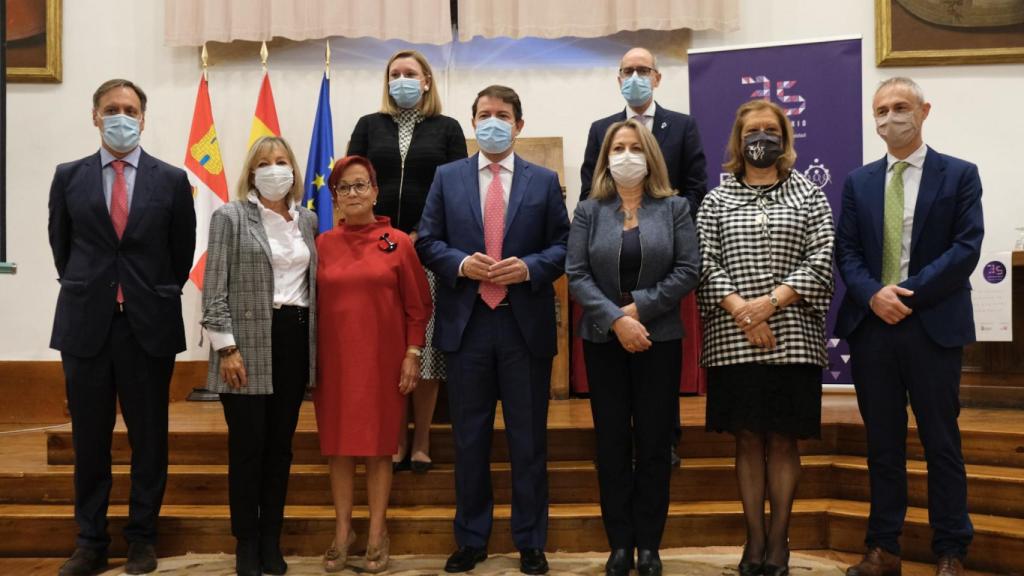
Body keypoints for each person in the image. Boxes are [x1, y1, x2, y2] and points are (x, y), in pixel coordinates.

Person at [416, 85, 570, 575]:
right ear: (472, 122)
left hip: (524, 326)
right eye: (484, 115)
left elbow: (564, 245)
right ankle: (471, 538)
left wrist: (529, 268)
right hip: (468, 325)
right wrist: (462, 264)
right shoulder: (447, 177)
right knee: (469, 439)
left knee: (529, 440)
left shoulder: (544, 181)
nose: (493, 123)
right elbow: (427, 241)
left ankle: (530, 541)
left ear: (519, 125)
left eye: (502, 115)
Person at [47, 79, 196, 576]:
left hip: (147, 326)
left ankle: (141, 539)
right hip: (85, 323)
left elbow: (180, 255)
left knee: (149, 440)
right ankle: (90, 542)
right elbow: (62, 249)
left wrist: (146, 293)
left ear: (143, 119)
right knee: (90, 441)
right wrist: (95, 288)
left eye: (130, 110)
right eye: (112, 108)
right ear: (95, 116)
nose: (121, 117)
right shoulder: (68, 177)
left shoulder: (171, 180)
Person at [836, 78, 982, 576]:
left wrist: (904, 294)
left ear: (924, 111)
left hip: (932, 325)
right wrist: (874, 295)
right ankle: (884, 549)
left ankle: (951, 551)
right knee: (883, 445)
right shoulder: (858, 182)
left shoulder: (960, 174)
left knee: (941, 443)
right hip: (873, 326)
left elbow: (965, 248)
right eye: (881, 110)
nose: (890, 117)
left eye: (901, 107)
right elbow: (847, 252)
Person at [697, 100, 835, 576]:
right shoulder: (716, 200)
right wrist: (744, 311)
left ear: (785, 138)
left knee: (783, 439)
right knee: (747, 437)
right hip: (733, 337)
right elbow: (704, 261)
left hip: (793, 335)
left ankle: (779, 542)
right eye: (752, 131)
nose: (761, 138)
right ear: (738, 141)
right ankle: (753, 539)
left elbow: (822, 257)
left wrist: (770, 304)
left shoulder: (809, 196)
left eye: (770, 130)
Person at [567, 119, 700, 576]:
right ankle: (619, 544)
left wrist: (638, 311)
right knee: (611, 443)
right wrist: (617, 319)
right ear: (606, 159)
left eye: (635, 147)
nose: (626, 155)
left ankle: (649, 546)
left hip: (658, 339)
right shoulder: (589, 210)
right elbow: (577, 274)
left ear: (650, 155)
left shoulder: (675, 207)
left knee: (655, 442)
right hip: (603, 339)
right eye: (618, 148)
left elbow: (687, 270)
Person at [581, 46, 709, 466]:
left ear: (656, 77)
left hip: (663, 260)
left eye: (643, 69)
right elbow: (589, 190)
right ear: (619, 78)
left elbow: (696, 187)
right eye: (628, 70)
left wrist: (670, 230)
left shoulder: (682, 125)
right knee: (613, 409)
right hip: (610, 270)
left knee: (660, 369)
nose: (635, 77)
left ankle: (664, 440)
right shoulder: (601, 129)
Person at [201, 135, 318, 576]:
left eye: (282, 161)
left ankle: (271, 538)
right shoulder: (230, 217)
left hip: (294, 338)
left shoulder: (307, 220)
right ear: (252, 172)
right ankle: (246, 543)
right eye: (265, 163)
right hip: (245, 343)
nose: (274, 169)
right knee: (248, 447)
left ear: (293, 170)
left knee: (280, 448)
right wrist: (226, 348)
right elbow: (214, 289)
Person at [348, 49, 468, 473]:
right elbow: (353, 181)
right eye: (394, 73)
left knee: (425, 348)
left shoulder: (447, 128)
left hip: (427, 250)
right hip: (375, 248)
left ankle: (421, 440)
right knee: (389, 346)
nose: (401, 79)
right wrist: (384, 233)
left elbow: (455, 188)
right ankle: (396, 438)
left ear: (427, 81)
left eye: (410, 73)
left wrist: (421, 233)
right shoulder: (369, 125)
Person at [314, 155, 432, 573]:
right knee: (339, 449)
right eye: (344, 187)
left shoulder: (398, 242)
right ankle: (343, 532)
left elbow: (419, 307)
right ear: (334, 197)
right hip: (333, 364)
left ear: (376, 191)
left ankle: (378, 533)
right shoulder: (322, 244)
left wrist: (412, 354)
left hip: (383, 363)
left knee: (380, 449)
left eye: (360, 184)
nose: (353, 193)